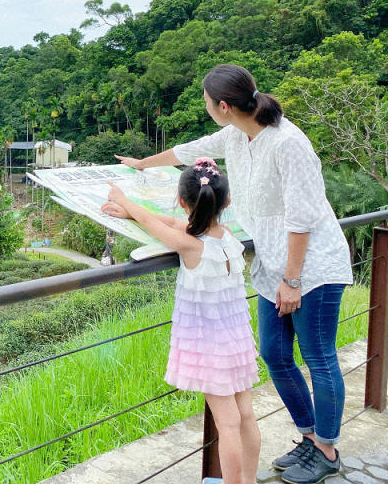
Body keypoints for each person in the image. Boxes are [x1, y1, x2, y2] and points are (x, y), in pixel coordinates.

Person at [115, 64, 353, 484]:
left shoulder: (288, 144)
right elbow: (188, 152)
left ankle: (327, 449)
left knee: (318, 357)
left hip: (311, 267)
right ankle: (308, 436)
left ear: (223, 105)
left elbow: (303, 219)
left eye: (206, 101)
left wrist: (293, 280)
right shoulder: (235, 134)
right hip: (270, 265)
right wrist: (141, 164)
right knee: (275, 355)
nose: (205, 107)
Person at [103, 159, 259, 484]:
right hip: (237, 339)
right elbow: (175, 224)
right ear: (226, 203)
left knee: (227, 423)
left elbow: (161, 225)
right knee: (244, 416)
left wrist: (123, 199)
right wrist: (130, 212)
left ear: (183, 202)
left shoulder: (191, 245)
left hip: (211, 346)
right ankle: (249, 480)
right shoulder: (228, 236)